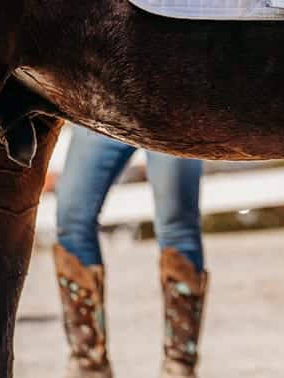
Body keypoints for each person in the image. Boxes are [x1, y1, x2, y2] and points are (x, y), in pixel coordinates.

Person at [53, 126, 208, 377]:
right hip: (103, 109)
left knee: (178, 226)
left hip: (173, 107)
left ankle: (180, 365)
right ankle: (88, 363)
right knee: (71, 221)